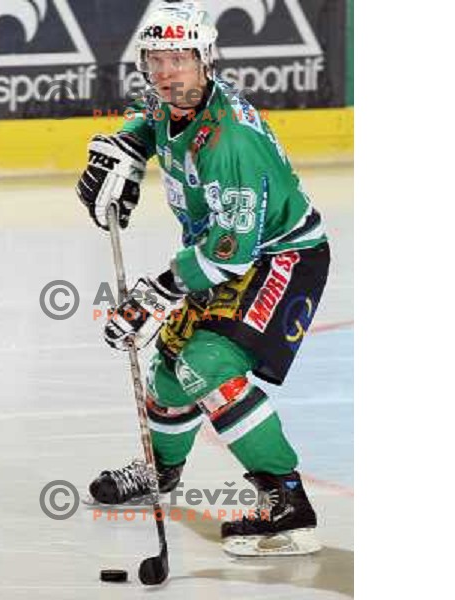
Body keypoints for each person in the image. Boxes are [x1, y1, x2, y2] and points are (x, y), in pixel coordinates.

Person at [75, 0, 330, 556]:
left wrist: (152, 296)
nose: (166, 72)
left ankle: (286, 499)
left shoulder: (231, 142)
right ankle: (160, 476)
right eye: (156, 59)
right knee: (169, 372)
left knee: (206, 367)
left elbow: (230, 254)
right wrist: (125, 146)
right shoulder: (177, 101)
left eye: (179, 58)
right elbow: (150, 119)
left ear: (205, 60)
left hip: (281, 258)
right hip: (229, 254)